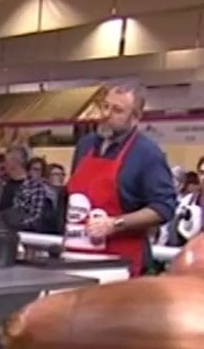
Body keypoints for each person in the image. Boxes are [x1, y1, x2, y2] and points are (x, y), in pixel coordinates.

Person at [66, 83, 177, 275]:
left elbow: (164, 207)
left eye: (117, 110)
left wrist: (114, 223)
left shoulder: (146, 153)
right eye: (105, 106)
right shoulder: (85, 146)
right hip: (76, 257)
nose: (107, 114)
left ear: (135, 117)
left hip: (120, 264)